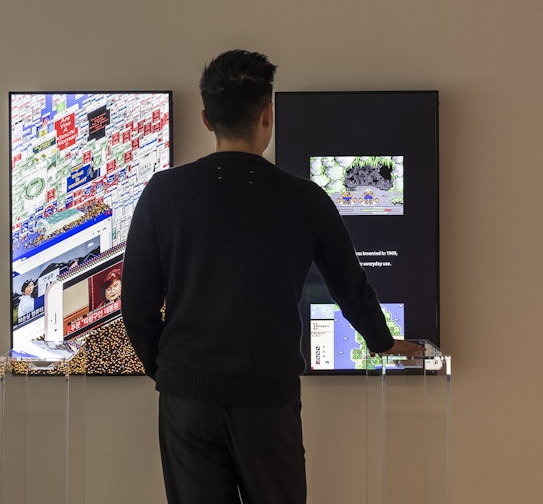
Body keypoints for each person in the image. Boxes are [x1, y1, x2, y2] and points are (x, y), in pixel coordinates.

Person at [121, 49, 421, 504]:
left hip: (187, 400)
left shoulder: (164, 193)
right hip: (268, 400)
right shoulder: (305, 199)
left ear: (206, 118)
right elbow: (349, 285)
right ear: (268, 115)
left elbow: (136, 303)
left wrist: (166, 371)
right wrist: (382, 342)